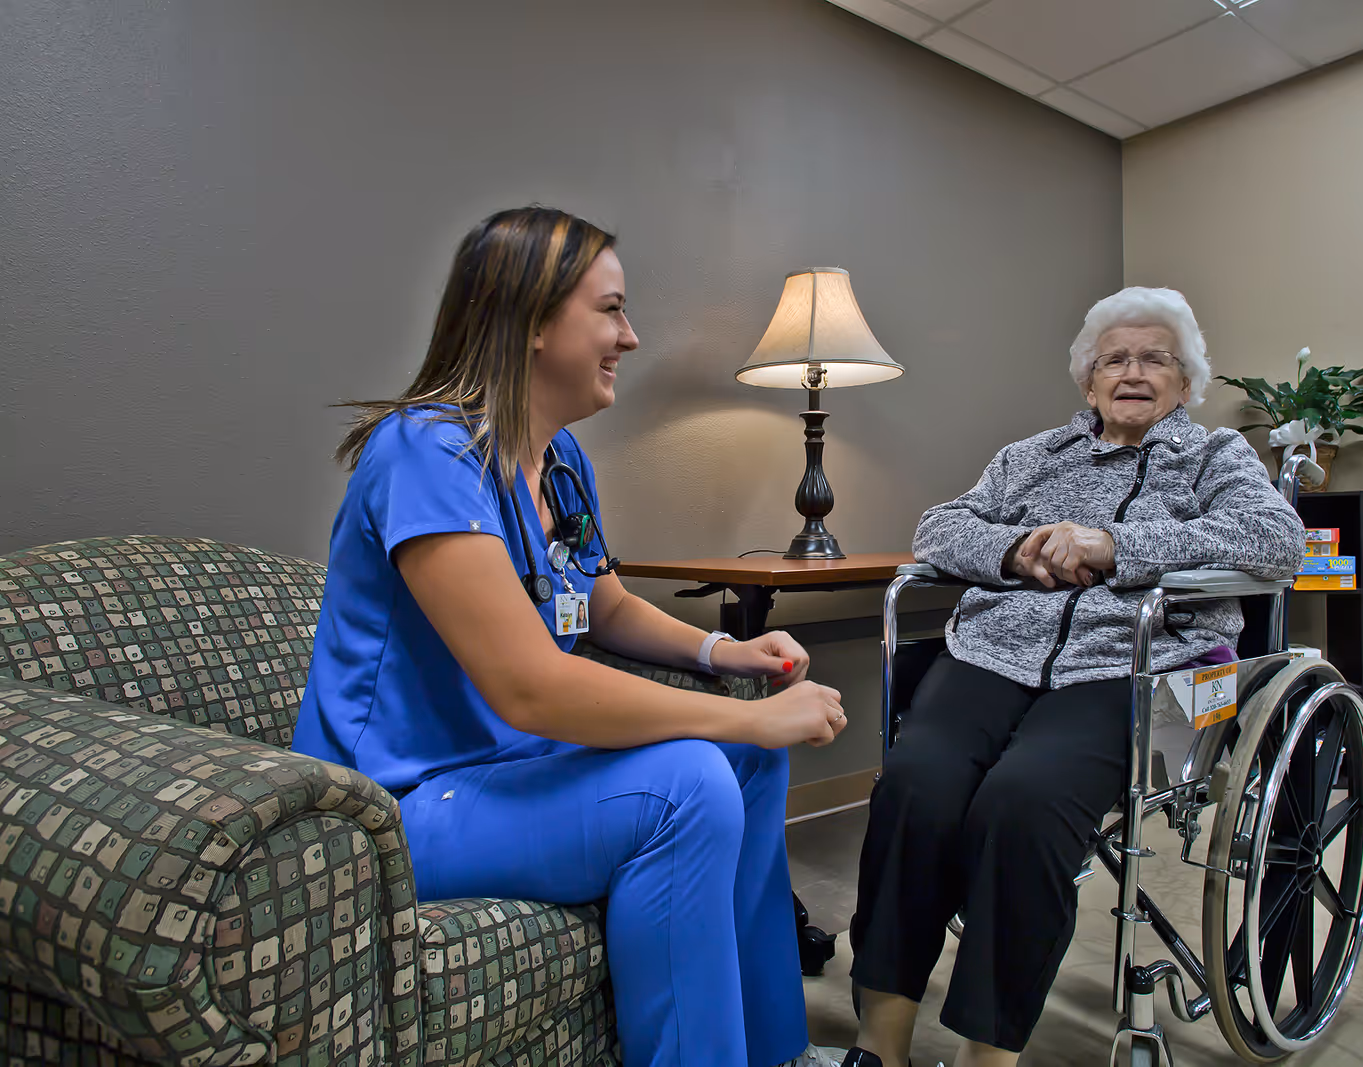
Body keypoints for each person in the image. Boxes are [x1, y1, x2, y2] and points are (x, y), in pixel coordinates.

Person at [291, 206, 848, 1067]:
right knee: (696, 776)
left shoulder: (560, 463)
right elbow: (532, 685)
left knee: (750, 762)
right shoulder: (425, 454)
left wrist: (722, 654)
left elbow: (605, 605)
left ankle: (778, 1052)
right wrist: (745, 715)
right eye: (612, 309)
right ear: (532, 320)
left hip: (514, 771)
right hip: (402, 804)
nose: (631, 335)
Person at [839, 287, 1305, 1067]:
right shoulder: (1032, 457)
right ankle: (879, 1042)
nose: (1132, 371)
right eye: (1113, 359)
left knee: (1024, 804)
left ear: (1185, 382)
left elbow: (1274, 540)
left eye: (1155, 358)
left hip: (1132, 668)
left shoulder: (1217, 456)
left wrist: (1113, 544)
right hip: (993, 654)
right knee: (914, 786)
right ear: (1088, 383)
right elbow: (940, 526)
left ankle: (988, 1052)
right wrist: (1017, 549)